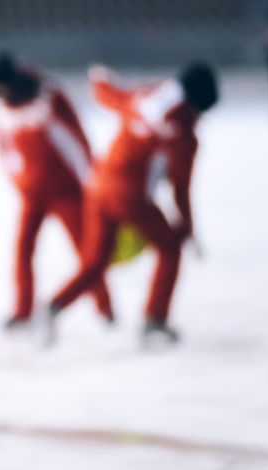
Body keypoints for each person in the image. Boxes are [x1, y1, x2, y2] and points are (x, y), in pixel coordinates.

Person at [47, 62, 219, 345]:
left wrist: (99, 78)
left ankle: (54, 307)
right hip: (129, 195)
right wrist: (188, 228)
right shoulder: (183, 136)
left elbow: (109, 96)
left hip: (98, 184)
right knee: (170, 249)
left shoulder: (143, 96)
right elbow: (180, 188)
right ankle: (155, 319)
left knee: (95, 261)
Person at [0, 52, 113, 329]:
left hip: (67, 191)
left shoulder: (49, 98)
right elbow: (4, 149)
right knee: (22, 251)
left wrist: (90, 182)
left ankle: (105, 310)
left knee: (87, 250)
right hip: (30, 194)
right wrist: (17, 180)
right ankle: (23, 312)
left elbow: (76, 141)